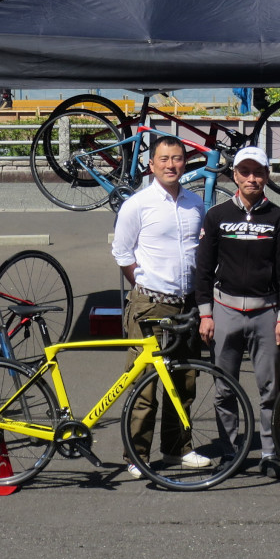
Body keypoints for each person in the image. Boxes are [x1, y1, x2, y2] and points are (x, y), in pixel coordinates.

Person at [111, 134, 209, 479]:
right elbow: (122, 253)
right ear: (151, 165)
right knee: (145, 384)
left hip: (187, 305)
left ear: (185, 163)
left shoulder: (195, 204)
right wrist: (143, 280)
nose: (171, 165)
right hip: (150, 305)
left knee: (184, 380)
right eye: (164, 159)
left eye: (178, 158)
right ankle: (136, 455)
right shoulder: (137, 205)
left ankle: (176, 448)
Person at [196, 145, 280, 477]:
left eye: (259, 172)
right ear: (235, 175)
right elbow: (204, 268)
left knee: (270, 388)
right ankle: (231, 451)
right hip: (224, 311)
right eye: (245, 172)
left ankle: (270, 452)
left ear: (267, 176)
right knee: (224, 388)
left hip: (266, 313)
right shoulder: (217, 216)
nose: (252, 178)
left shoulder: (278, 218)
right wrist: (206, 314)